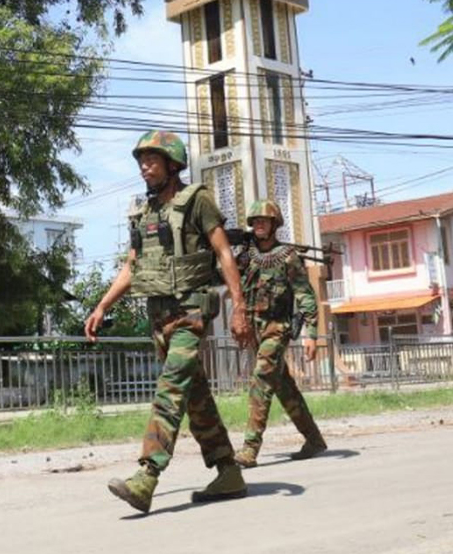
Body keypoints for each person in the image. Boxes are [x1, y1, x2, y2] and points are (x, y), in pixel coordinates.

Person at [86, 131, 256, 513]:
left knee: (170, 390)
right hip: (159, 318)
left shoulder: (197, 200)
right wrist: (101, 306)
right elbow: (132, 267)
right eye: (141, 162)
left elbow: (224, 253)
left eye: (152, 160)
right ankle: (229, 471)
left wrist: (239, 307)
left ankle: (147, 476)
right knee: (195, 397)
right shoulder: (144, 214)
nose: (144, 168)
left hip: (190, 313)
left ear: (172, 164)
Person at [233, 199, 325, 468]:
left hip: (277, 329)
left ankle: (250, 449)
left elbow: (305, 295)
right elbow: (227, 279)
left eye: (264, 220)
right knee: (284, 388)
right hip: (254, 330)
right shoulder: (246, 256)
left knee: (261, 380)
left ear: (274, 224)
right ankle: (314, 440)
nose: (259, 225)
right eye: (255, 221)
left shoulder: (287, 257)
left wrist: (311, 334)